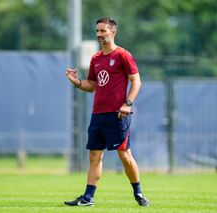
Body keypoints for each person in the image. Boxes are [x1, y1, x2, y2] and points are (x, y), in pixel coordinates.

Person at [64, 17, 150, 207]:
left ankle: (139, 193)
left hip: (118, 114)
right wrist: (76, 81)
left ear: (113, 32)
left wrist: (128, 103)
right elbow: (92, 85)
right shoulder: (96, 58)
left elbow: (136, 81)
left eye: (103, 31)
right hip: (98, 115)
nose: (99, 35)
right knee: (94, 156)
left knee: (124, 155)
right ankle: (88, 198)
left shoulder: (123, 55)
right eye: (97, 31)